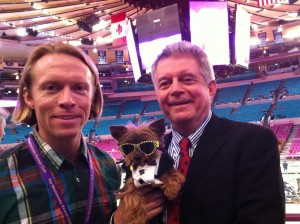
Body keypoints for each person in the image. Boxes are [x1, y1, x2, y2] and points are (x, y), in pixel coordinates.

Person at [150, 41, 285, 223]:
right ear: (157, 94)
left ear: (211, 88)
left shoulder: (253, 142)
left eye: (187, 79)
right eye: (165, 83)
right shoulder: (148, 152)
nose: (175, 89)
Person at [0, 42, 121, 224]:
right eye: (51, 87)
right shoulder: (2, 174)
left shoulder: (109, 166)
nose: (67, 100)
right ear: (29, 97)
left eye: (79, 87)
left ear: (93, 96)